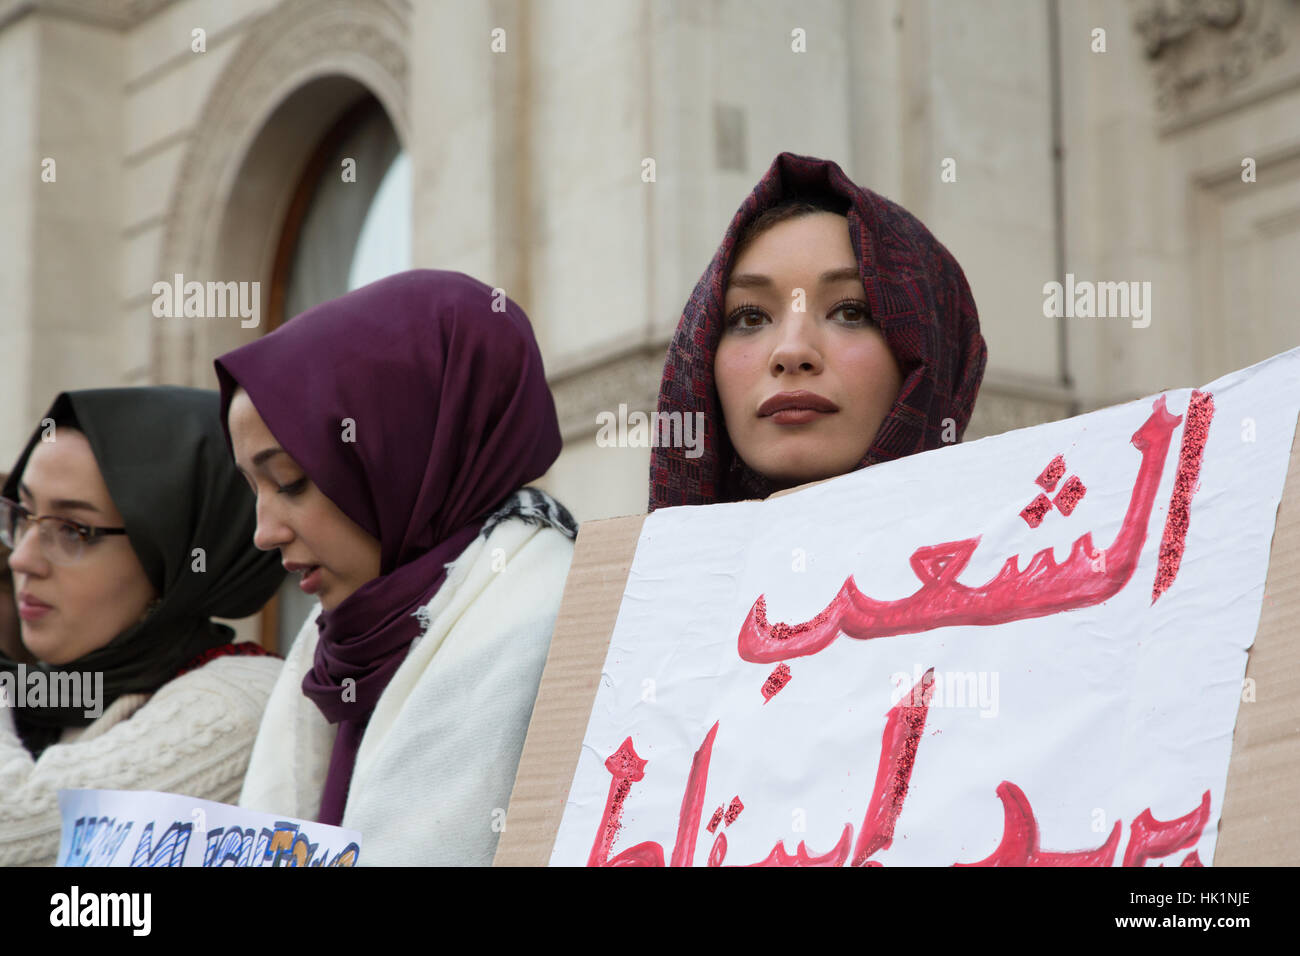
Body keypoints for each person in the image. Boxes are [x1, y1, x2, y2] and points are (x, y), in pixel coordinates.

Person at [216, 269, 577, 866]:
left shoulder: (547, 619)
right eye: (254, 488)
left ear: (402, 449)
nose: (264, 532)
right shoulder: (344, 640)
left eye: (291, 481)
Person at [0, 388, 285, 866]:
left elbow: (16, 837)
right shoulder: (50, 694)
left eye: (74, 530)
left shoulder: (240, 704)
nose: (24, 557)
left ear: (174, 555)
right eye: (23, 516)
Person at [650, 152, 987, 509]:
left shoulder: (1033, 552)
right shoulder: (627, 564)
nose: (792, 352)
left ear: (935, 351)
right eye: (750, 317)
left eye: (850, 311)